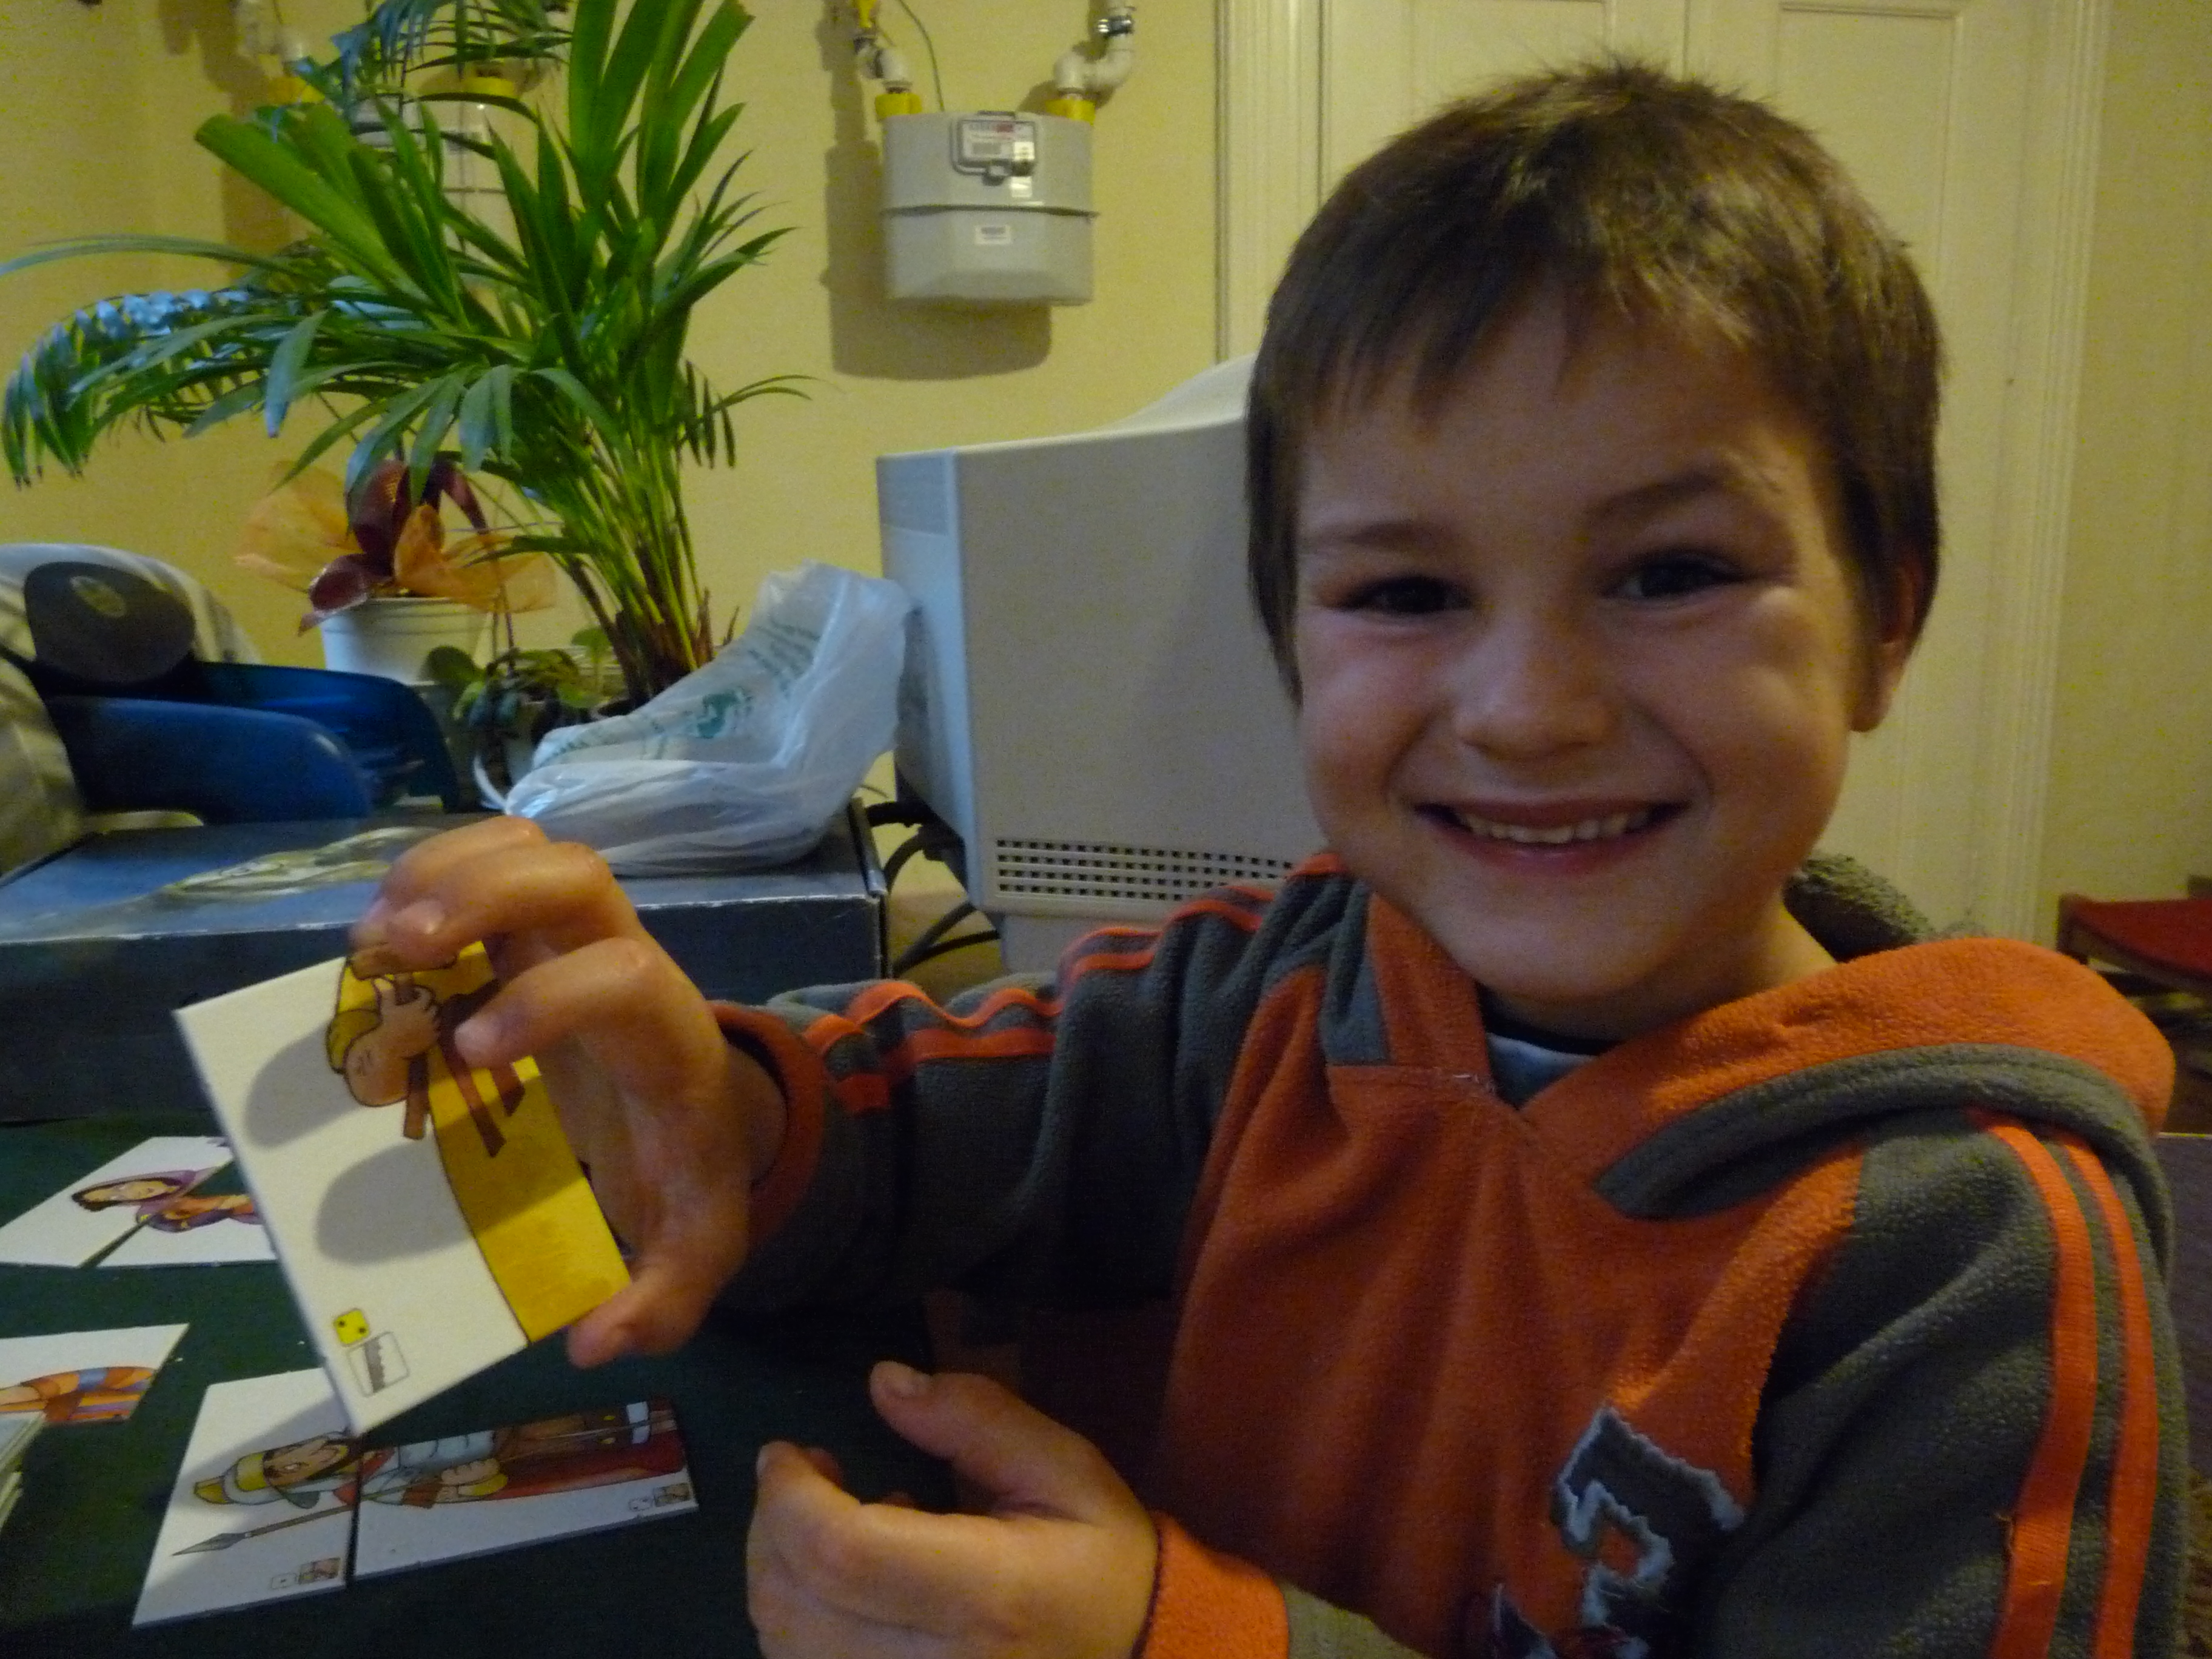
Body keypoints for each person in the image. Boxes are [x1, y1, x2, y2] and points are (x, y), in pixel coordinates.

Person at [349, 60, 2183, 1659]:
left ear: (1886, 622)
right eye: (1406, 592)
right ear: (1291, 638)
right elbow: (921, 1127)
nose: (1530, 708)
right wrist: (717, 1111)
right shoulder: (1268, 991)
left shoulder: (1968, 1259)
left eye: (1673, 572)